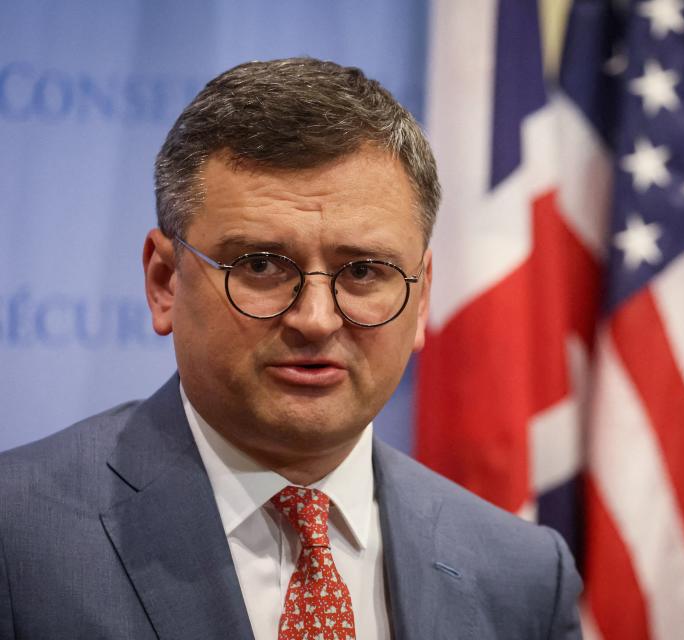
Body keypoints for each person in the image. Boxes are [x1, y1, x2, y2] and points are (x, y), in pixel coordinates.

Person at [0, 57, 581, 639]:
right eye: (260, 265)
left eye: (364, 271)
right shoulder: (16, 536)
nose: (316, 319)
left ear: (422, 298)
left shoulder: (522, 577)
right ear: (164, 282)